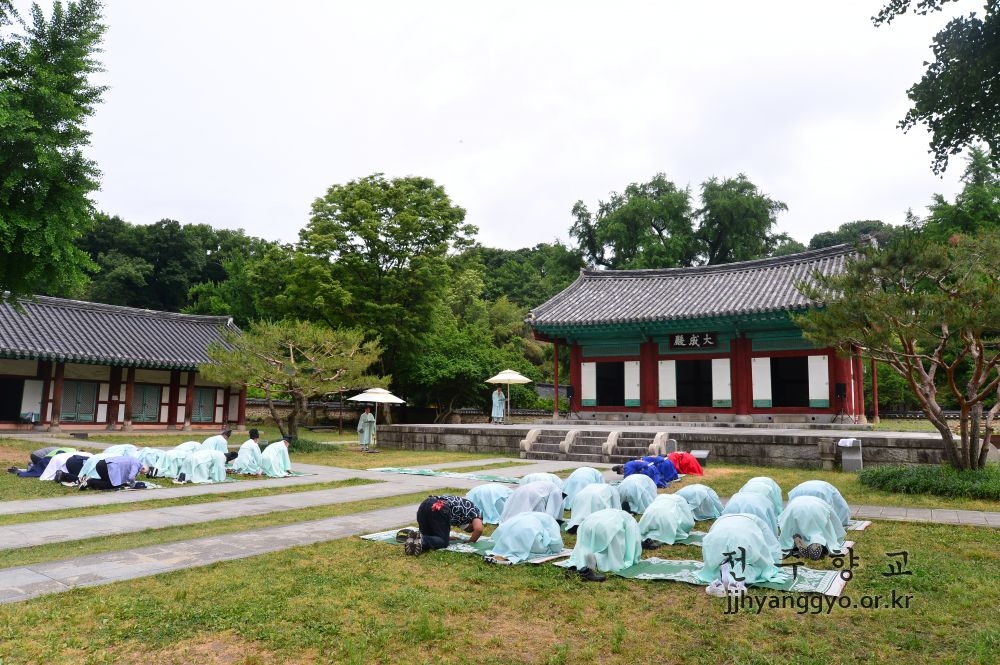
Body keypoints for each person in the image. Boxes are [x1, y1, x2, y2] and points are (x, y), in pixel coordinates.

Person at [401, 494, 484, 556]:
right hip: (439, 507)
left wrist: (445, 535)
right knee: (443, 542)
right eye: (470, 530)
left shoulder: (460, 514)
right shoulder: (476, 512)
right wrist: (471, 540)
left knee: (429, 535)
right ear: (471, 523)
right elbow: (479, 529)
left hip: (425, 504)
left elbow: (441, 525)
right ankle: (422, 540)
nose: (468, 531)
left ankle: (413, 539)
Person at [777, 495, 847, 560]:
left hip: (793, 508)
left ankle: (796, 542)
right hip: (818, 509)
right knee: (817, 531)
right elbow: (835, 521)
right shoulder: (822, 502)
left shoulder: (793, 501)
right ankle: (817, 541)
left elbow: (783, 520)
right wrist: (836, 539)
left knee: (790, 531)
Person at [486, 511, 564, 565]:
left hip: (504, 537)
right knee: (542, 549)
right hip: (530, 536)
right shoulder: (551, 521)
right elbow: (556, 545)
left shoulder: (525, 515)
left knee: (512, 545)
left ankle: (504, 555)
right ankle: (511, 557)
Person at [499, 480, 565, 523]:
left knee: (518, 509)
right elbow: (552, 508)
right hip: (536, 493)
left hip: (520, 490)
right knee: (536, 517)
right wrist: (554, 521)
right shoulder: (557, 491)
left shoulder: (550, 485)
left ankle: (510, 524)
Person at [79, 455, 148, 491]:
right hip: (107, 466)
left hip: (102, 464)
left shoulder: (134, 460)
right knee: (113, 485)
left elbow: (125, 475)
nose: (142, 474)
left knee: (107, 482)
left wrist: (126, 483)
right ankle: (91, 481)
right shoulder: (137, 464)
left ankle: (91, 483)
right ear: (143, 468)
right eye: (144, 473)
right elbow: (131, 477)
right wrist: (133, 485)